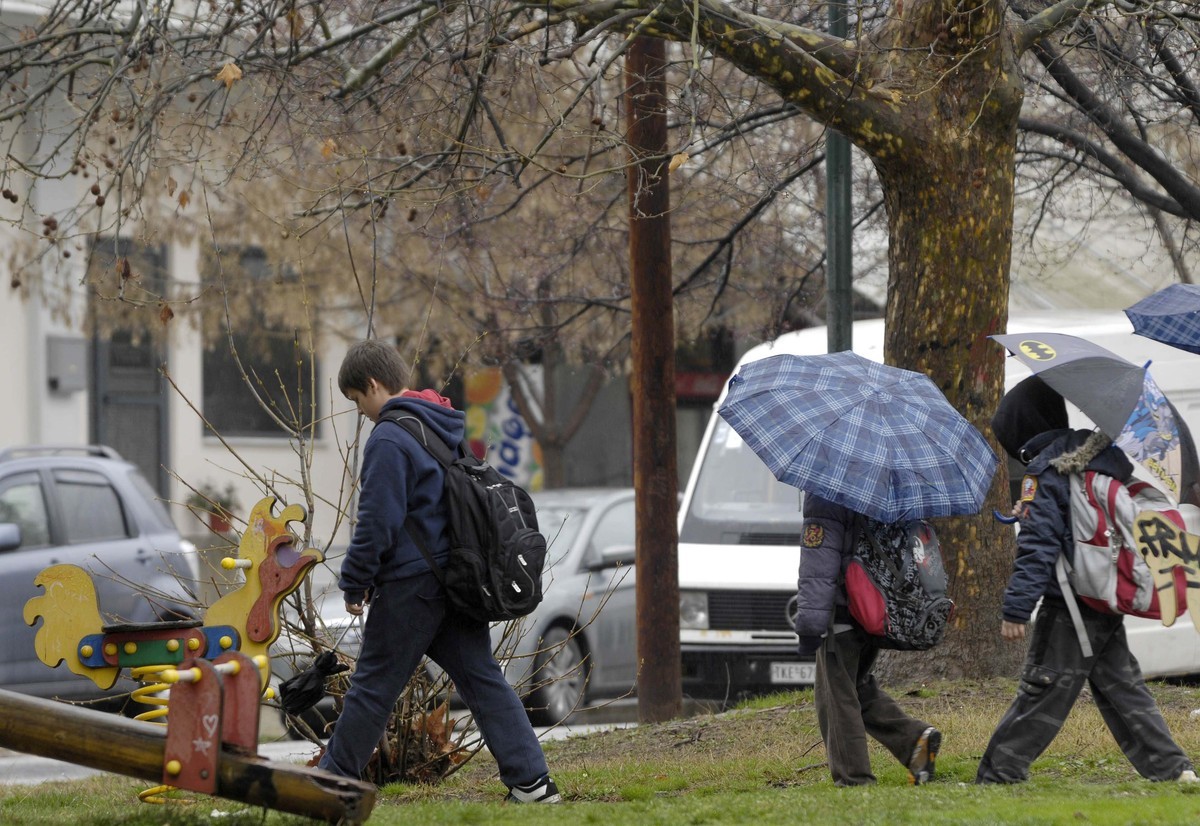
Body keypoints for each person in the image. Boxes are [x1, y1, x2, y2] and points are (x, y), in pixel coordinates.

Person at [316, 339, 561, 803]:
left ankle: (327, 786)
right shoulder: (440, 422)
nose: (361, 412)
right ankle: (532, 783)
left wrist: (355, 580)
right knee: (482, 679)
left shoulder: (390, 437)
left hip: (412, 587)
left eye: (357, 400)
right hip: (453, 580)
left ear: (372, 385)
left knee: (371, 687)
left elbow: (377, 521)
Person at [976, 375, 1197, 785]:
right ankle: (1172, 769)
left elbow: (1039, 548)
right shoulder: (1096, 459)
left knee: (1043, 688)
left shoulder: (1046, 471)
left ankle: (999, 775)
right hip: (1102, 594)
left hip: (1071, 602)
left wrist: (1016, 609)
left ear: (1023, 429)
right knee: (1123, 686)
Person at [794, 493, 941, 786]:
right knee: (858, 686)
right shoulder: (886, 485)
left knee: (836, 697)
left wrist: (809, 626)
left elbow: (818, 566)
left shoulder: (827, 491)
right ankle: (914, 741)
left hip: (843, 613)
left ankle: (854, 779)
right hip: (877, 609)